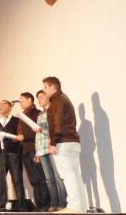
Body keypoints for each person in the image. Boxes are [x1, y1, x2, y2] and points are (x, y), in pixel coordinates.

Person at [43, 76, 87, 212]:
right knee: (74, 173)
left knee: (67, 174)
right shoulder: (64, 98)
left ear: (53, 87)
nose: (44, 91)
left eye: (45, 87)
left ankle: (74, 206)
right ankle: (81, 207)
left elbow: (57, 123)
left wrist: (53, 142)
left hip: (63, 142)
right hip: (72, 141)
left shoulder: (57, 101)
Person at [16, 92, 50, 211]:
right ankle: (39, 204)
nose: (21, 102)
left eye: (23, 100)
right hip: (25, 150)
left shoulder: (36, 114)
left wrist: (24, 136)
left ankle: (46, 204)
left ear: (30, 100)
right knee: (33, 180)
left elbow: (38, 131)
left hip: (34, 149)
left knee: (40, 178)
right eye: (20, 101)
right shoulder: (22, 115)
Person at [35, 90, 67, 212]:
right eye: (38, 98)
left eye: (41, 97)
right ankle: (53, 203)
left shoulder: (54, 111)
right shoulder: (39, 115)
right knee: (49, 179)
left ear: (48, 97)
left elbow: (56, 130)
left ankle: (63, 203)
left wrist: (41, 129)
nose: (39, 100)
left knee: (58, 176)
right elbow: (38, 136)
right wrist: (37, 152)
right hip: (42, 149)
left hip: (54, 148)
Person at [0, 100, 25, 211]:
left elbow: (20, 136)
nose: (0, 106)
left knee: (17, 179)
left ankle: (21, 204)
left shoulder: (16, 120)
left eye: (3, 104)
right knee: (0, 179)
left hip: (13, 153)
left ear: (10, 107)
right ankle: (2, 205)